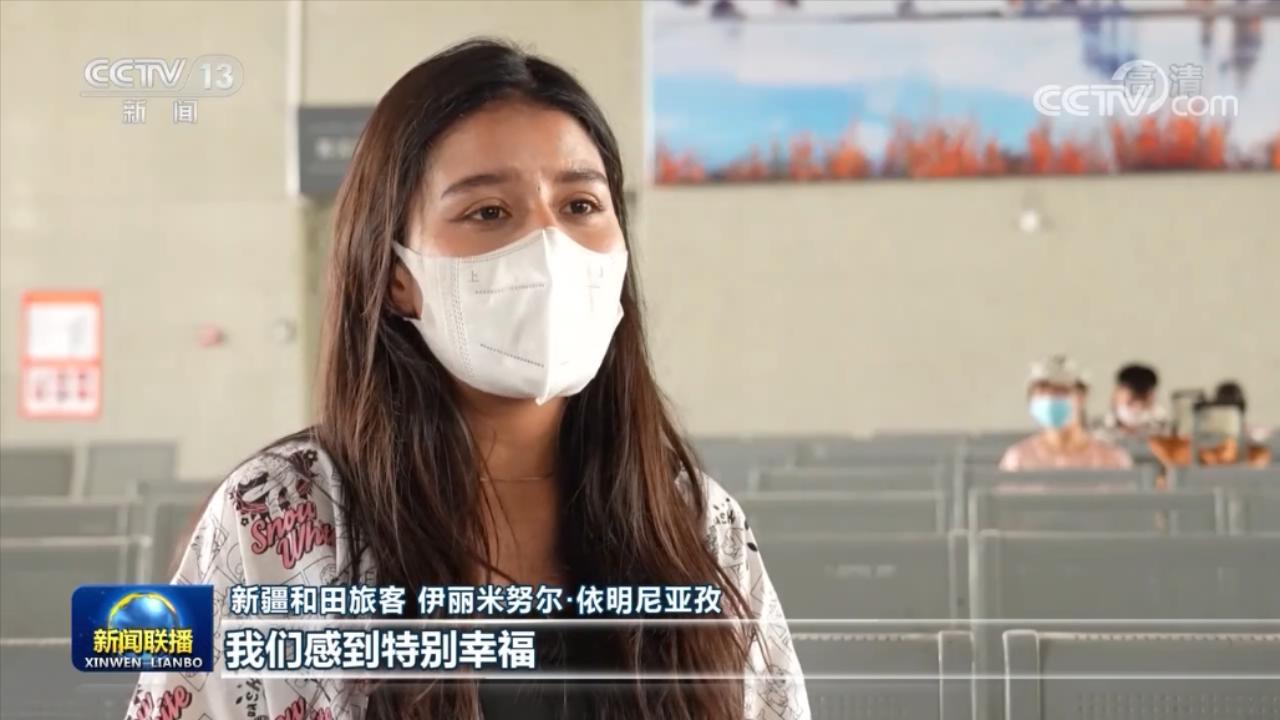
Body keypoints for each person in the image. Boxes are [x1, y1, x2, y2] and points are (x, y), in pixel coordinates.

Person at [122, 39, 809, 720]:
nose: (550, 248)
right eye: (488, 213)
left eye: (580, 206)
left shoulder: (693, 520)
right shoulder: (274, 514)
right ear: (396, 275)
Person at [999, 354, 1134, 471]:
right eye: (1042, 392)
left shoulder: (1112, 459)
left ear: (1081, 397)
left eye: (1060, 391)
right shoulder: (1018, 458)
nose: (1050, 399)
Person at [1095, 362, 1168, 441]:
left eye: (1143, 402)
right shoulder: (1096, 430)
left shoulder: (1165, 431)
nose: (1137, 407)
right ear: (1115, 394)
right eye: (1130, 402)